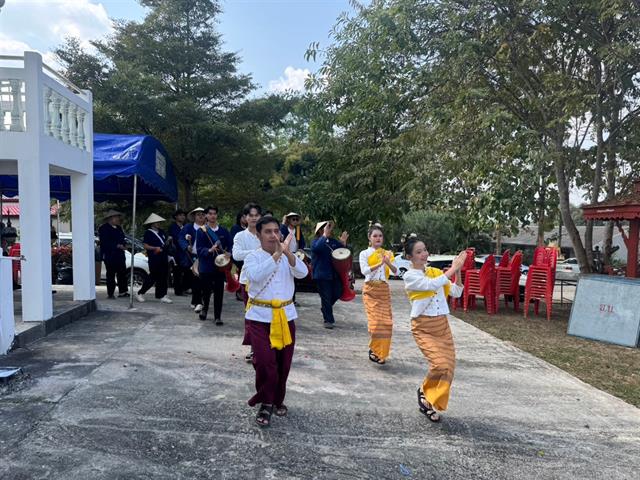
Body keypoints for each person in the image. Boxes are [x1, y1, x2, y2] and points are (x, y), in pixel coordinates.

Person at [243, 216, 308, 427]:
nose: (273, 236)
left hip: (286, 316)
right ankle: (266, 402)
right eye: (268, 232)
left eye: (276, 232)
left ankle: (276, 399)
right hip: (260, 317)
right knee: (264, 362)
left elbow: (303, 273)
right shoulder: (252, 257)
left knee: (283, 362)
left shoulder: (288, 257)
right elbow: (255, 276)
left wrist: (287, 254)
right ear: (259, 235)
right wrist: (275, 257)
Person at [402, 237, 466, 422]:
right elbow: (429, 285)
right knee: (439, 364)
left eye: (425, 250)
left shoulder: (436, 273)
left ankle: (429, 400)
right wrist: (452, 269)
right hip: (423, 327)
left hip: (442, 326)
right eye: (419, 252)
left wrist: (458, 271)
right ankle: (423, 390)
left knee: (448, 368)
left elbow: (456, 292)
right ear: (410, 257)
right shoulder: (410, 276)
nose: (424, 254)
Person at [358, 224, 397, 365]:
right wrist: (380, 263)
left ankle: (380, 353)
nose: (378, 238)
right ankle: (374, 348)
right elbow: (364, 271)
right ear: (370, 238)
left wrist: (388, 263)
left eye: (380, 236)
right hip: (370, 290)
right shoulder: (364, 253)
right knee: (375, 324)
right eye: (375, 236)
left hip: (384, 290)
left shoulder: (388, 254)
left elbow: (395, 272)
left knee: (386, 323)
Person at [232, 203, 262, 361]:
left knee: (266, 314)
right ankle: (253, 348)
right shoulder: (240, 236)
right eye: (250, 215)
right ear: (245, 218)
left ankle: (265, 346)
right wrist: (258, 252)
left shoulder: (266, 234)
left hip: (266, 281)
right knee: (251, 314)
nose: (254, 218)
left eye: (256, 215)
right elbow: (236, 255)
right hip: (248, 281)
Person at [195, 206, 232, 324]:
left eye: (214, 213)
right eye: (210, 213)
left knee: (219, 292)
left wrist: (229, 253)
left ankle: (217, 316)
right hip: (206, 266)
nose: (212, 216)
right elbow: (199, 249)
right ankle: (205, 309)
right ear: (206, 216)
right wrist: (209, 250)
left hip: (220, 266)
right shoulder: (201, 231)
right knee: (206, 291)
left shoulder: (223, 231)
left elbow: (231, 245)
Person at [311, 220, 349, 329]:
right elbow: (317, 248)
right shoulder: (316, 241)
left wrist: (343, 244)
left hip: (334, 274)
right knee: (326, 297)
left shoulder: (333, 241)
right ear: (319, 230)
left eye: (328, 227)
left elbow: (342, 254)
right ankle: (328, 320)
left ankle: (325, 308)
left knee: (338, 292)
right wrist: (324, 236)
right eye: (324, 227)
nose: (328, 229)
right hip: (321, 274)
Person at [136, 213, 173, 304]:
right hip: (154, 257)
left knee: (164, 276)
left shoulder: (162, 232)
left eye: (159, 222)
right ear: (152, 223)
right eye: (156, 222)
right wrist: (155, 248)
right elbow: (145, 245)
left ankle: (162, 295)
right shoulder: (148, 233)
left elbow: (165, 243)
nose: (158, 223)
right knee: (153, 276)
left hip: (163, 256)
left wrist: (168, 241)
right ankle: (140, 292)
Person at [178, 207, 206, 312]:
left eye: (203, 215)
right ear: (194, 216)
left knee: (203, 280)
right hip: (192, 257)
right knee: (195, 280)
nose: (200, 217)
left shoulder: (206, 228)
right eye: (198, 214)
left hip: (204, 256)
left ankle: (197, 300)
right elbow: (180, 238)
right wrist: (186, 246)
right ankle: (198, 301)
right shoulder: (188, 227)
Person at [98, 210, 129, 299]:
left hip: (120, 254)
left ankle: (123, 291)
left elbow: (123, 238)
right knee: (111, 274)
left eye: (118, 217)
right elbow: (104, 242)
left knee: (122, 273)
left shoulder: (119, 228)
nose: (118, 219)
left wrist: (124, 245)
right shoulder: (104, 228)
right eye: (116, 217)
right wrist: (116, 245)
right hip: (110, 254)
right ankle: (110, 293)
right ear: (110, 218)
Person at [169, 209, 189, 296]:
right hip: (176, 253)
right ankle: (178, 291)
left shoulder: (185, 227)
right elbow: (176, 239)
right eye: (180, 215)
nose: (182, 217)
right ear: (176, 217)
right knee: (177, 272)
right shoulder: (173, 227)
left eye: (184, 215)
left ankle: (184, 288)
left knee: (188, 271)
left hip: (185, 253)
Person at [230, 211, 247, 301]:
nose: (245, 219)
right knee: (237, 274)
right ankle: (238, 292)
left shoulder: (249, 228)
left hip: (246, 255)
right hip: (238, 255)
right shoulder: (235, 228)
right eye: (243, 217)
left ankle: (244, 291)